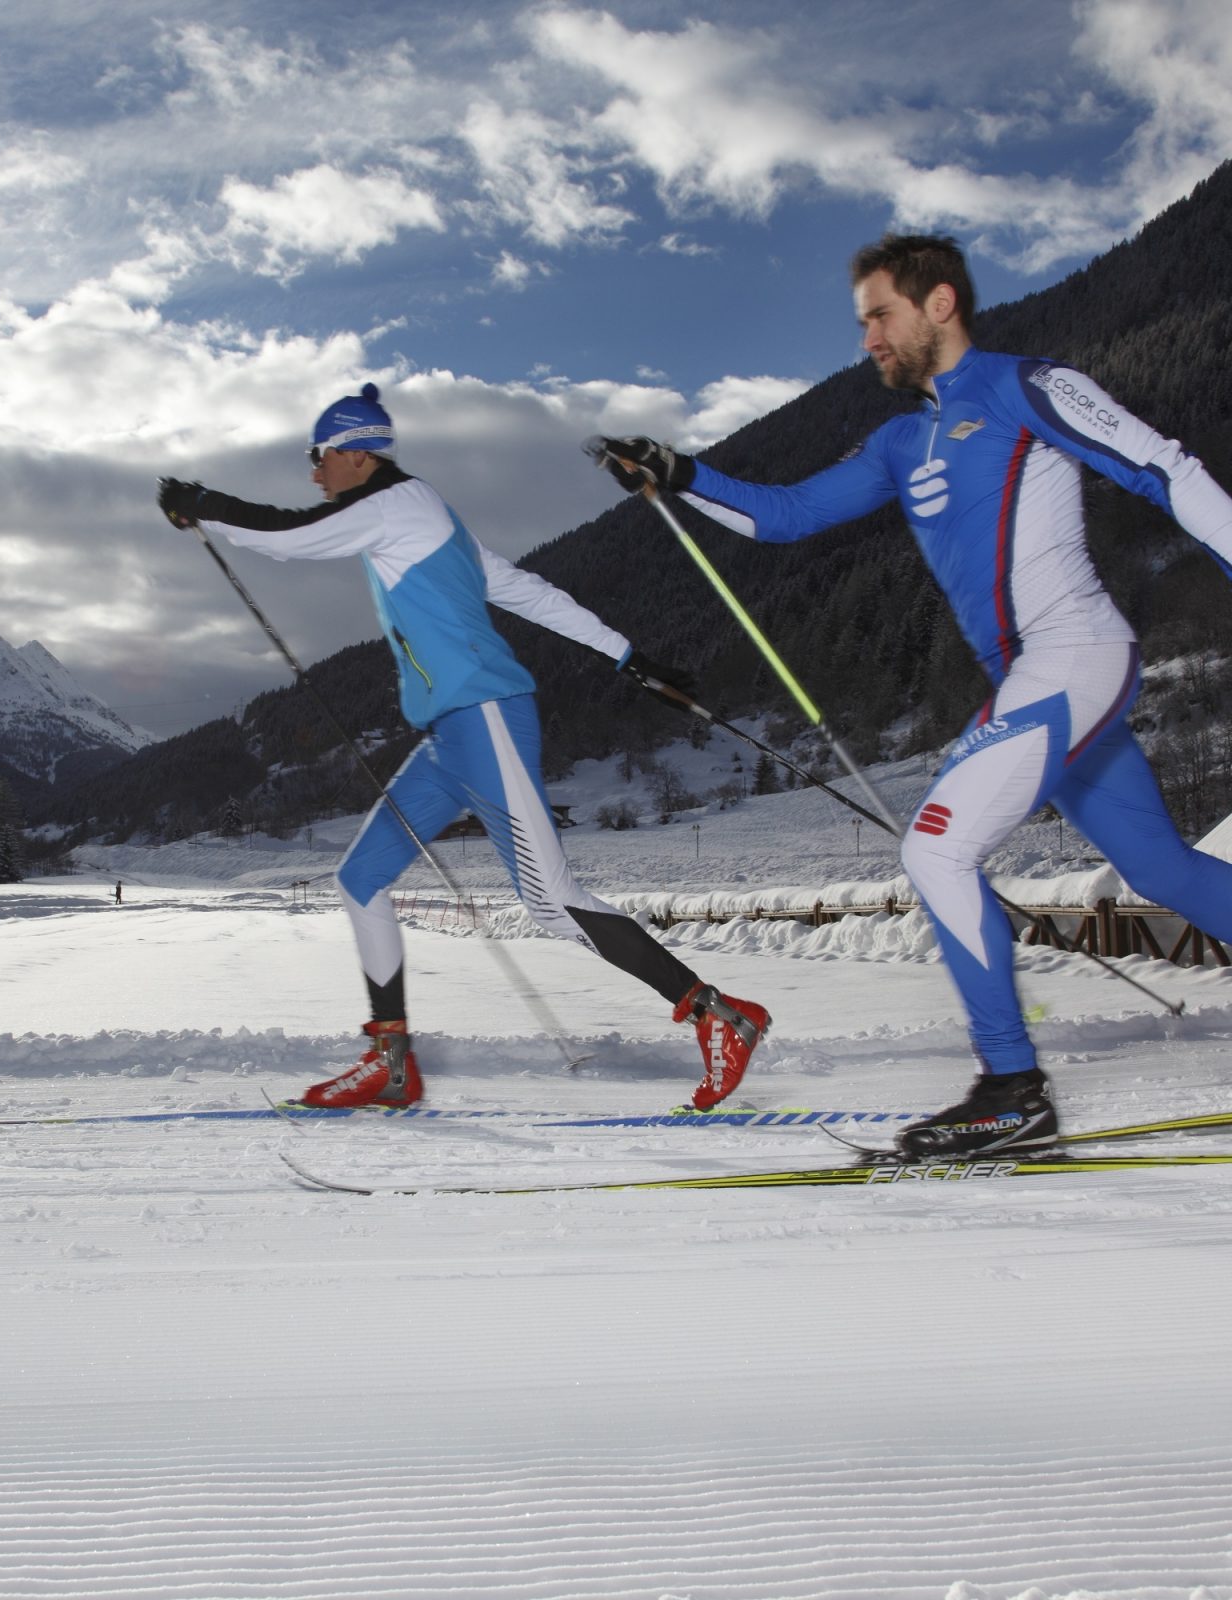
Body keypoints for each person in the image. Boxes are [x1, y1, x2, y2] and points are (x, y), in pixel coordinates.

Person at [591, 232, 1232, 1159]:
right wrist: (680, 474)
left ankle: (1012, 1091)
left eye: (880, 316)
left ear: (939, 306)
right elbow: (788, 515)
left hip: (1075, 651)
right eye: (860, 324)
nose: (867, 340)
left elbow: (1165, 467)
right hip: (1035, 674)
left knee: (935, 848)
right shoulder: (900, 439)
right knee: (1162, 871)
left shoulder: (1026, 385)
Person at [157, 383, 770, 1110]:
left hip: (486, 718)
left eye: (317, 456)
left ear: (355, 454)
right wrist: (628, 656)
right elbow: (524, 589)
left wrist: (205, 502)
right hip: (448, 737)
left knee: (550, 901)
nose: (313, 471)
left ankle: (720, 1015)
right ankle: (390, 1062)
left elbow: (291, 538)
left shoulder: (397, 505)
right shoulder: (422, 518)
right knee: (360, 880)